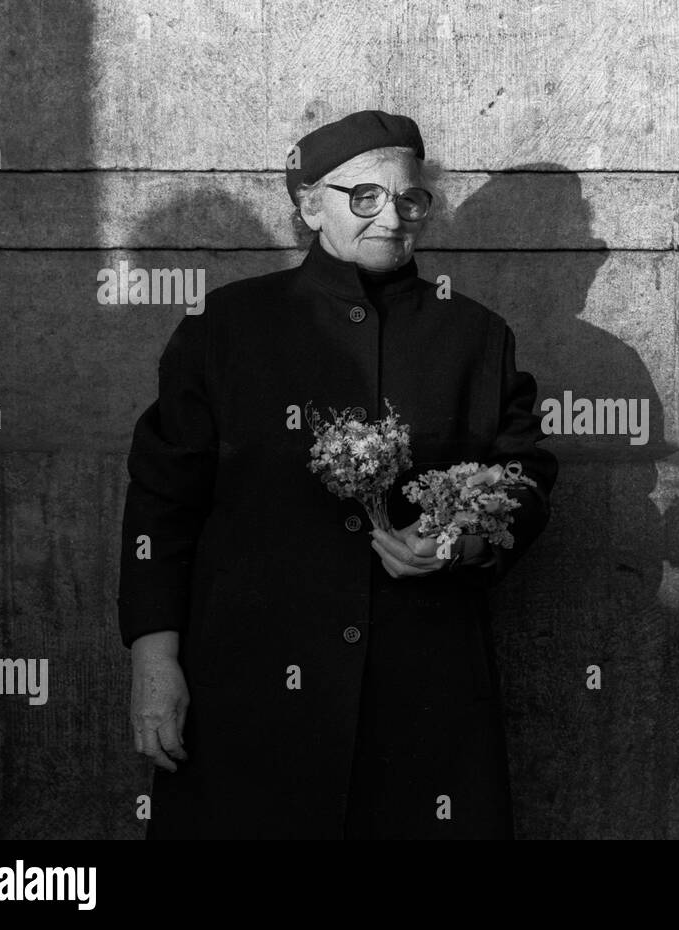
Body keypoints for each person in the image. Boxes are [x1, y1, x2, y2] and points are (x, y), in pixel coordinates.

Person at [118, 109, 557, 839]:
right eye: (365, 197)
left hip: (419, 699)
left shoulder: (475, 336)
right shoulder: (226, 328)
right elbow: (162, 502)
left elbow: (524, 479)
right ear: (309, 204)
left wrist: (464, 540)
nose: (391, 216)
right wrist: (153, 659)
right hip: (249, 689)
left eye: (409, 198)